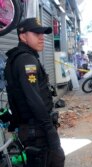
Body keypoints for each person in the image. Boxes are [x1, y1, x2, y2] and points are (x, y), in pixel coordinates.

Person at [4, 18, 65, 167]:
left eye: (42, 33)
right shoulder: (26, 60)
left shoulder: (20, 58)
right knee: (55, 160)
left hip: (33, 129)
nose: (42, 37)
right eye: (36, 33)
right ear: (22, 36)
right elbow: (33, 98)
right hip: (38, 130)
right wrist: (49, 130)